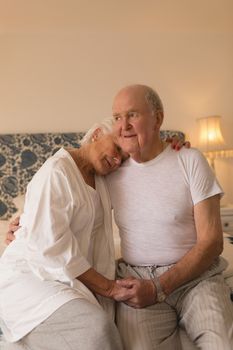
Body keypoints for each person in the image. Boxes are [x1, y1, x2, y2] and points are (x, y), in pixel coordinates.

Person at [105, 84, 233, 350]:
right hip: (136, 284)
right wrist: (22, 224)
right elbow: (63, 197)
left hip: (198, 278)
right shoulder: (109, 172)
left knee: (221, 343)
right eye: (117, 117)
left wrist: (159, 286)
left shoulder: (189, 160)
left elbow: (213, 242)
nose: (123, 125)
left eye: (133, 115)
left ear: (158, 118)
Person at [0, 120, 132, 350]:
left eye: (125, 158)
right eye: (117, 148)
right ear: (97, 134)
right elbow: (50, 246)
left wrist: (170, 150)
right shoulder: (56, 171)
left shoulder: (104, 178)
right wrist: (109, 287)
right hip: (31, 274)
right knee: (95, 328)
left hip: (66, 276)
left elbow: (151, 171)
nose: (119, 160)